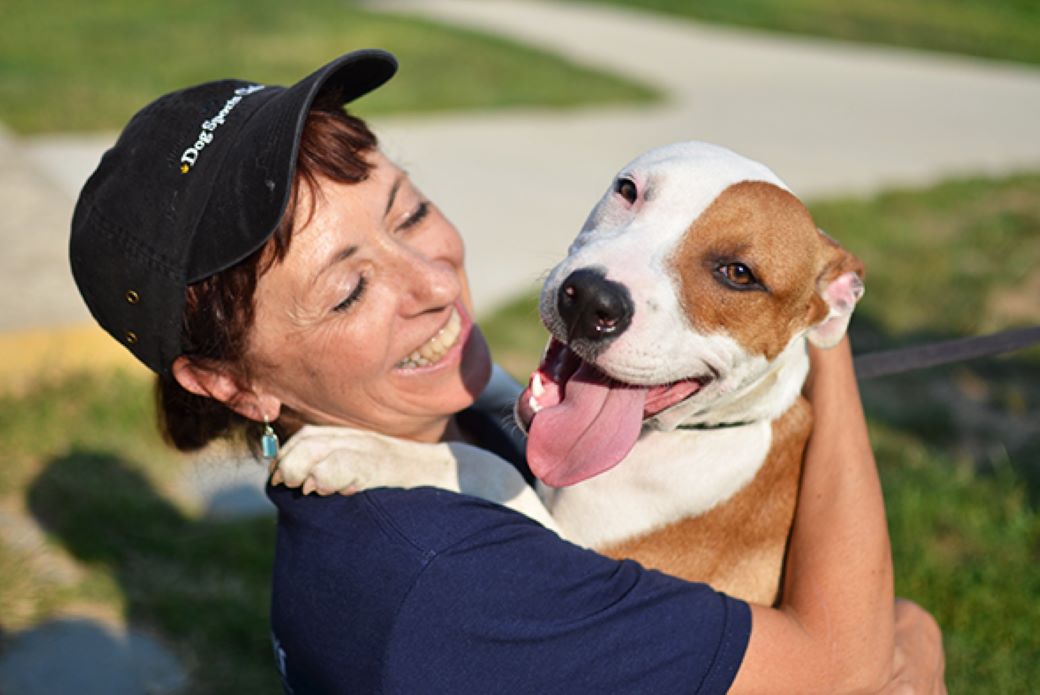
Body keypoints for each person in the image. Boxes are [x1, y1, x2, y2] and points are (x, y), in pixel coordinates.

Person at [70, 49, 945, 693]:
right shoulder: (436, 583)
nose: (432, 283)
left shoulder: (451, 420)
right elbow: (846, 667)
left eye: (407, 210)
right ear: (231, 385)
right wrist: (909, 632)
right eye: (348, 292)